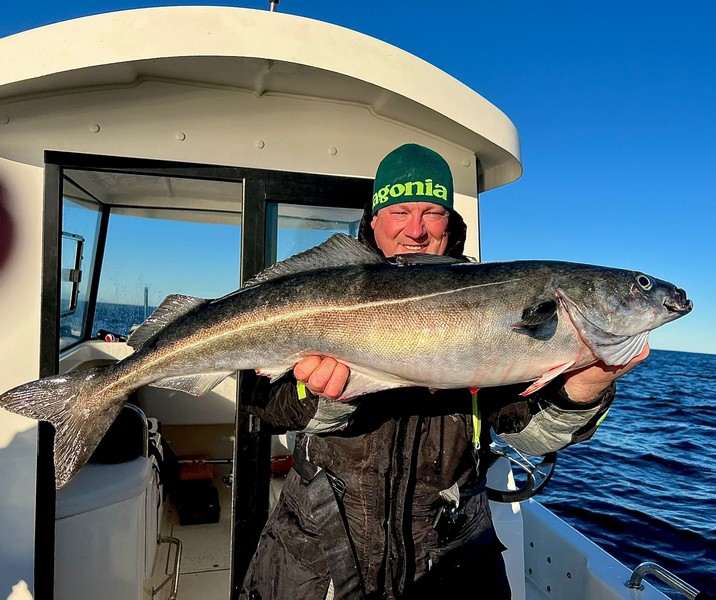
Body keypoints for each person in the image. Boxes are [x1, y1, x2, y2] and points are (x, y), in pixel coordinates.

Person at [240, 144, 647, 599]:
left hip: (449, 553)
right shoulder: (324, 291)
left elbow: (526, 437)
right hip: (318, 553)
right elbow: (264, 406)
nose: (415, 230)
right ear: (374, 219)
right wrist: (328, 400)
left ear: (449, 223)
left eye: (432, 212)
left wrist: (584, 389)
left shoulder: (494, 304)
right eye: (399, 211)